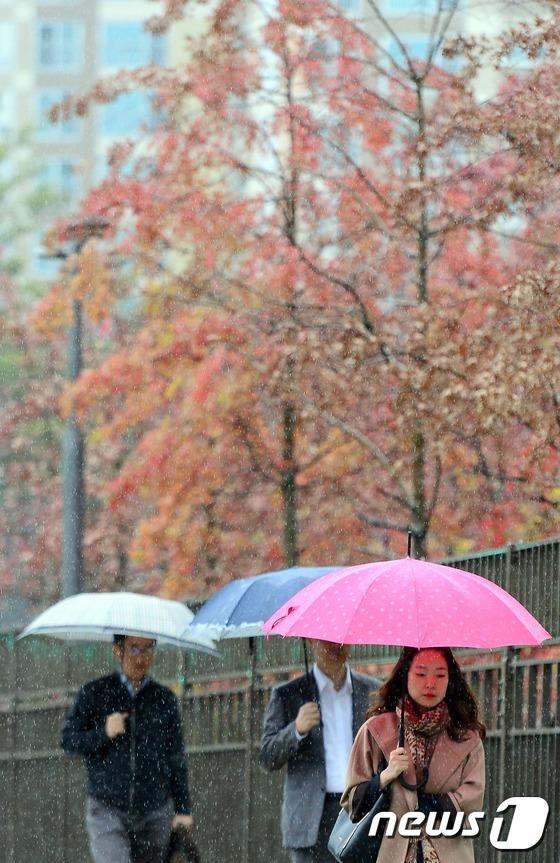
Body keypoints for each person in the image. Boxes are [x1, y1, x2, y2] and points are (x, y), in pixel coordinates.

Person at [341, 647, 486, 863]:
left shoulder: (467, 738)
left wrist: (433, 805)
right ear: (405, 675)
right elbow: (352, 801)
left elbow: (473, 801)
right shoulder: (376, 731)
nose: (430, 683)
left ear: (450, 680)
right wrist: (384, 777)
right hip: (388, 852)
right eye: (420, 674)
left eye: (440, 675)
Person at [61, 634, 194, 863]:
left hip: (154, 811)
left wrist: (183, 807)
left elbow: (175, 757)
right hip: (107, 807)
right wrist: (104, 733)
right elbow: (69, 741)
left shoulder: (163, 699)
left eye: (148, 649)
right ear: (118, 649)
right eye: (134, 649)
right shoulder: (95, 693)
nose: (141, 657)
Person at [259, 639, 381, 863]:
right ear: (312, 642)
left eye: (342, 640)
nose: (336, 646)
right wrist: (296, 729)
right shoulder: (288, 695)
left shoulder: (373, 691)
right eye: (327, 641)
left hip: (360, 808)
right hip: (310, 817)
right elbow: (267, 755)